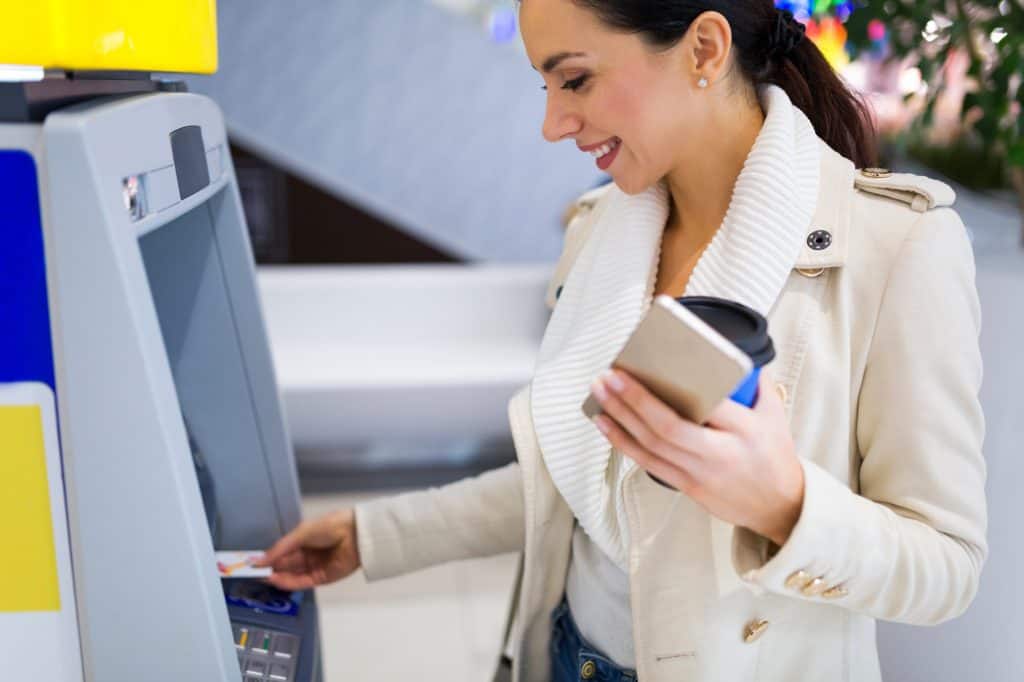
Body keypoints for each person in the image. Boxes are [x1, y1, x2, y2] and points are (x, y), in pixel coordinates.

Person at [256, 2, 988, 680]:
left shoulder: (899, 248)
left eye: (575, 79)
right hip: (566, 654)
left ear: (704, 48)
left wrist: (783, 504)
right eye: (546, 85)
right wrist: (376, 534)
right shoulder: (598, 230)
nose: (552, 123)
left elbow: (946, 566)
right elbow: (586, 474)